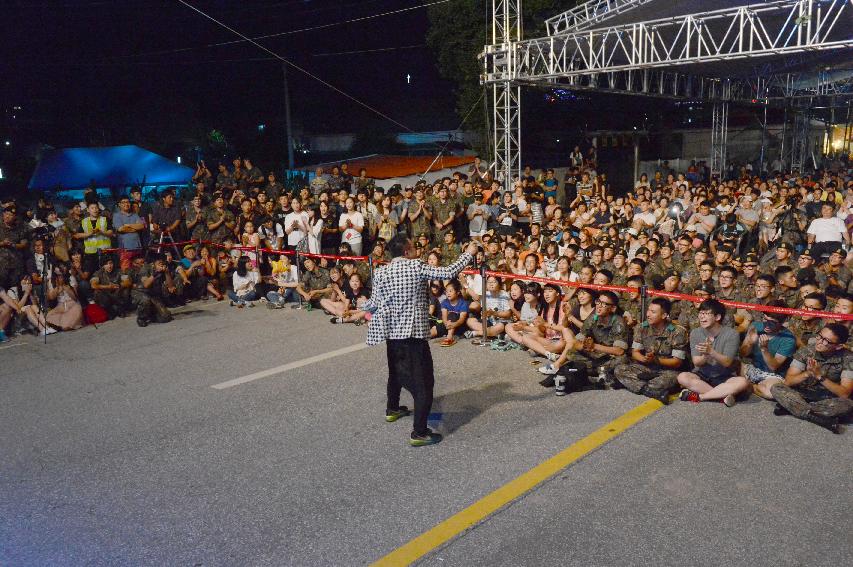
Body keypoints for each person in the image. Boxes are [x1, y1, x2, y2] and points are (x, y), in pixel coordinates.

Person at [360, 234, 476, 447]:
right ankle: (419, 432)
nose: (417, 251)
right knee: (424, 382)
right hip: (414, 334)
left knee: (395, 372)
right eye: (413, 247)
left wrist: (359, 308)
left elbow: (373, 302)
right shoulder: (415, 266)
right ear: (406, 251)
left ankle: (392, 408)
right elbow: (448, 272)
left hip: (392, 334)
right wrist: (468, 254)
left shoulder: (380, 271)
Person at [770, 323, 853, 433]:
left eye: (826, 341)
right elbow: (788, 381)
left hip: (826, 399)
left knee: (847, 404)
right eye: (820, 336)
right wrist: (808, 373)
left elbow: (844, 393)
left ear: (838, 346)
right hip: (802, 394)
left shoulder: (848, 358)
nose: (819, 342)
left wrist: (820, 376)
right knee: (776, 388)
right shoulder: (807, 351)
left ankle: (792, 408)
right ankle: (819, 419)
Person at [613, 297, 689, 403]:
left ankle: (632, 384)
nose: (648, 314)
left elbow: (677, 362)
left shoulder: (677, 332)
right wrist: (644, 359)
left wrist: (656, 360)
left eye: (653, 312)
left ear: (664, 315)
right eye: (648, 310)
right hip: (647, 367)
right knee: (619, 369)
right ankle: (651, 391)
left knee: (667, 380)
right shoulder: (641, 328)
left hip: (667, 371)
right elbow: (635, 352)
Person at [677, 299, 746, 407]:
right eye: (700, 313)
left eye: (706, 313)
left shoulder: (732, 334)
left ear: (717, 317)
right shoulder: (695, 333)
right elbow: (696, 362)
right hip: (702, 376)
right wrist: (705, 355)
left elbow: (727, 362)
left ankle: (700, 397)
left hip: (724, 376)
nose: (701, 316)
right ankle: (721, 396)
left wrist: (711, 352)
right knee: (682, 377)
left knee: (742, 382)